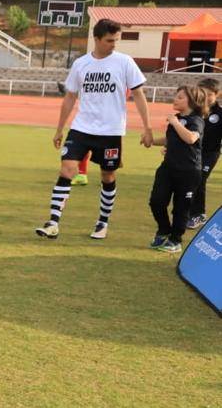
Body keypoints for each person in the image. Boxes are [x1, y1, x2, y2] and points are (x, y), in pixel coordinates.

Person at [36, 19, 154, 240]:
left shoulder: (125, 62)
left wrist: (147, 128)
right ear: (97, 39)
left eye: (116, 40)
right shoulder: (81, 64)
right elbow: (70, 97)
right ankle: (52, 222)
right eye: (110, 40)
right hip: (81, 128)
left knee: (107, 175)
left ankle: (102, 223)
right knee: (67, 169)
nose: (114, 45)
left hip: (111, 132)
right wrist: (60, 128)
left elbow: (138, 94)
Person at [148, 85, 207, 254]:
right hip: (168, 169)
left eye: (180, 97)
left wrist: (174, 122)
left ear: (192, 101)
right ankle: (164, 230)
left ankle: (175, 240)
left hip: (188, 173)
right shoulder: (177, 119)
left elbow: (190, 138)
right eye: (176, 96)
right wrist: (151, 141)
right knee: (156, 201)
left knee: (181, 209)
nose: (175, 99)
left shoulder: (197, 120)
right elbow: (170, 140)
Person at [188, 77, 220, 229]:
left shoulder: (219, 114)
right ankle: (190, 212)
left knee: (199, 179)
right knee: (191, 179)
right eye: (202, 93)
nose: (206, 98)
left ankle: (199, 214)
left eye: (209, 94)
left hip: (210, 154)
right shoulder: (194, 112)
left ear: (217, 94)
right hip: (193, 152)